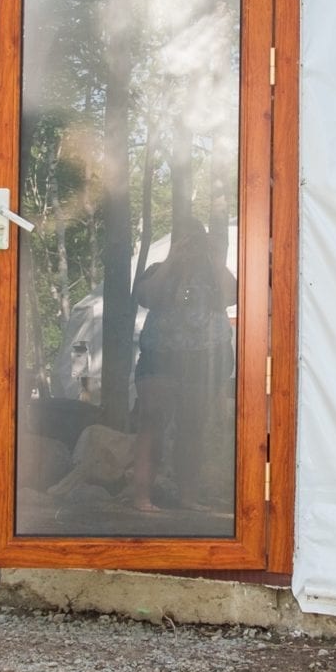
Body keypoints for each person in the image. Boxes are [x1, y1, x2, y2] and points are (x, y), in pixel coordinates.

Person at [128, 217, 238, 512]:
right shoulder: (158, 271)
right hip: (159, 358)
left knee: (192, 427)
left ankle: (188, 497)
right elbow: (145, 296)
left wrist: (213, 258)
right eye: (185, 241)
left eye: (195, 240)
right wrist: (172, 260)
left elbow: (233, 294)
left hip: (202, 360)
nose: (191, 247)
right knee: (151, 423)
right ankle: (142, 497)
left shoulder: (214, 275)